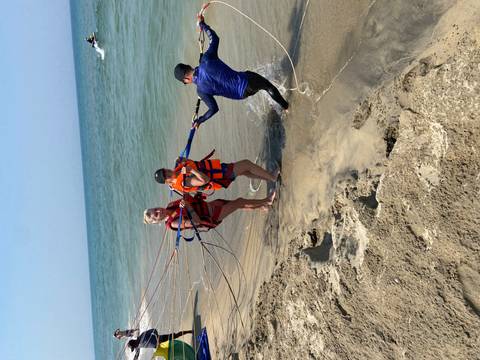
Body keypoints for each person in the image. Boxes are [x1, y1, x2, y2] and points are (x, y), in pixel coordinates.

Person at [174, 17, 289, 127]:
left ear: (186, 80)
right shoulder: (206, 59)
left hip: (242, 95)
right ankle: (287, 107)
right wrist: (203, 25)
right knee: (268, 87)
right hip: (246, 81)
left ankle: (281, 109)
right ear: (188, 66)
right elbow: (214, 38)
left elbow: (213, 109)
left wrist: (200, 120)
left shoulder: (201, 91)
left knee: (258, 85)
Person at [144, 192, 276, 231]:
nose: (158, 211)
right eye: (155, 215)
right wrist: (188, 207)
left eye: (155, 209)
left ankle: (262, 207)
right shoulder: (173, 224)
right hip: (211, 216)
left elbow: (188, 198)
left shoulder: (170, 205)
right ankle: (267, 201)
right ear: (157, 221)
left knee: (236, 205)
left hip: (209, 205)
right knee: (239, 201)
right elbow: (196, 222)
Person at [154, 155, 278, 193]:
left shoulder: (176, 174)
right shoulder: (184, 181)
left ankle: (268, 178)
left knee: (245, 172)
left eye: (165, 170)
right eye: (166, 176)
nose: (168, 172)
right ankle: (272, 177)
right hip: (220, 176)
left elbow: (181, 164)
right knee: (247, 164)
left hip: (219, 172)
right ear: (167, 182)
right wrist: (191, 170)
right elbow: (205, 180)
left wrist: (180, 160)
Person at [114, 328, 193, 360]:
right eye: (133, 348)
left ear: (134, 342)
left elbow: (154, 330)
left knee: (175, 335)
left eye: (133, 347)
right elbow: (136, 356)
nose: (134, 348)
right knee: (170, 355)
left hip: (161, 340)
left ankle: (189, 331)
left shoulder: (142, 335)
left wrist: (157, 339)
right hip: (159, 348)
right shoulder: (138, 346)